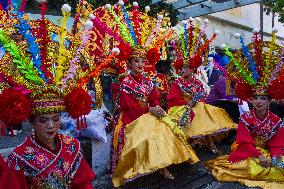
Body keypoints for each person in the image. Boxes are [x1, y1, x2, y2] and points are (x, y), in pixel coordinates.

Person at [0, 2, 98, 188]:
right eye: (43, 120)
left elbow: (83, 185)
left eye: (56, 118)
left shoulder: (72, 147)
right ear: (31, 121)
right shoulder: (19, 157)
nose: (51, 126)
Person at [206, 29, 284, 188]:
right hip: (248, 151)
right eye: (256, 98)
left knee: (277, 168)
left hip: (267, 152)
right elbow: (244, 141)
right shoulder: (246, 118)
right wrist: (259, 155)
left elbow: (276, 143)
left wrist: (275, 158)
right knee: (250, 168)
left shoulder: (276, 120)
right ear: (251, 100)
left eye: (263, 98)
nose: (259, 102)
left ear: (269, 101)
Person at [110, 48, 199, 187]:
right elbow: (128, 108)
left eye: (142, 61)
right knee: (150, 135)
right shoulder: (125, 83)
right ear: (129, 64)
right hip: (131, 117)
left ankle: (164, 163)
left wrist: (156, 106)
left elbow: (154, 98)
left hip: (148, 113)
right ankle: (159, 167)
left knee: (168, 128)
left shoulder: (148, 81)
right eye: (136, 61)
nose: (140, 64)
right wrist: (149, 109)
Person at [167, 64, 236, 154]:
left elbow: (203, 96)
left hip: (196, 106)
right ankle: (189, 146)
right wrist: (186, 103)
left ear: (192, 69)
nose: (183, 70)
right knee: (197, 113)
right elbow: (172, 98)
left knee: (203, 111)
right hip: (180, 107)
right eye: (183, 67)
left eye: (187, 67)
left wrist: (196, 102)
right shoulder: (177, 82)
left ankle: (210, 143)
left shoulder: (197, 82)